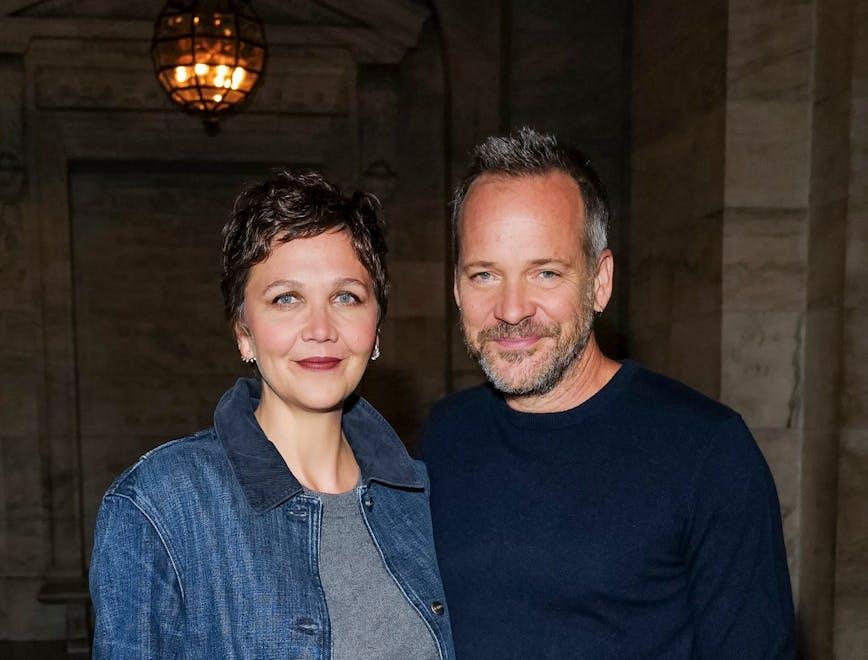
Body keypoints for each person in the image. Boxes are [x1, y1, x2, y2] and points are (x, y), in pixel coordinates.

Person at [418, 128, 795, 658]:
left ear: (600, 281)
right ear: (457, 288)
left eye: (545, 273)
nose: (510, 309)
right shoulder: (443, 435)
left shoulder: (708, 451)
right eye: (484, 275)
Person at [90, 170, 454, 659]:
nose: (320, 328)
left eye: (346, 297)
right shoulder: (159, 505)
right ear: (244, 332)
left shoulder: (419, 498)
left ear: (376, 327)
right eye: (287, 299)